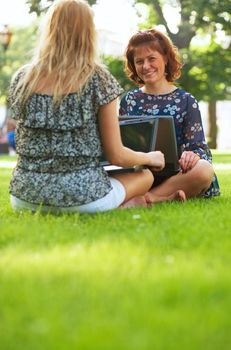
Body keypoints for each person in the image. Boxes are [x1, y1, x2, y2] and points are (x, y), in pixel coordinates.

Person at [8, 0, 167, 214]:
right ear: (88, 32)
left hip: (25, 198)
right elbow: (117, 156)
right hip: (82, 199)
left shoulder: (23, 78)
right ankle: (124, 205)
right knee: (145, 175)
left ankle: (123, 205)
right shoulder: (98, 79)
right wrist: (150, 157)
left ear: (49, 29)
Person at [119, 28, 220, 203]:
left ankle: (149, 198)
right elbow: (120, 147)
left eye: (152, 59)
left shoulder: (186, 101)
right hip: (141, 173)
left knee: (204, 169)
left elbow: (201, 150)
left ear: (165, 58)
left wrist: (193, 155)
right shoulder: (129, 100)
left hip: (177, 175)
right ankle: (165, 197)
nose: (146, 66)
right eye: (139, 61)